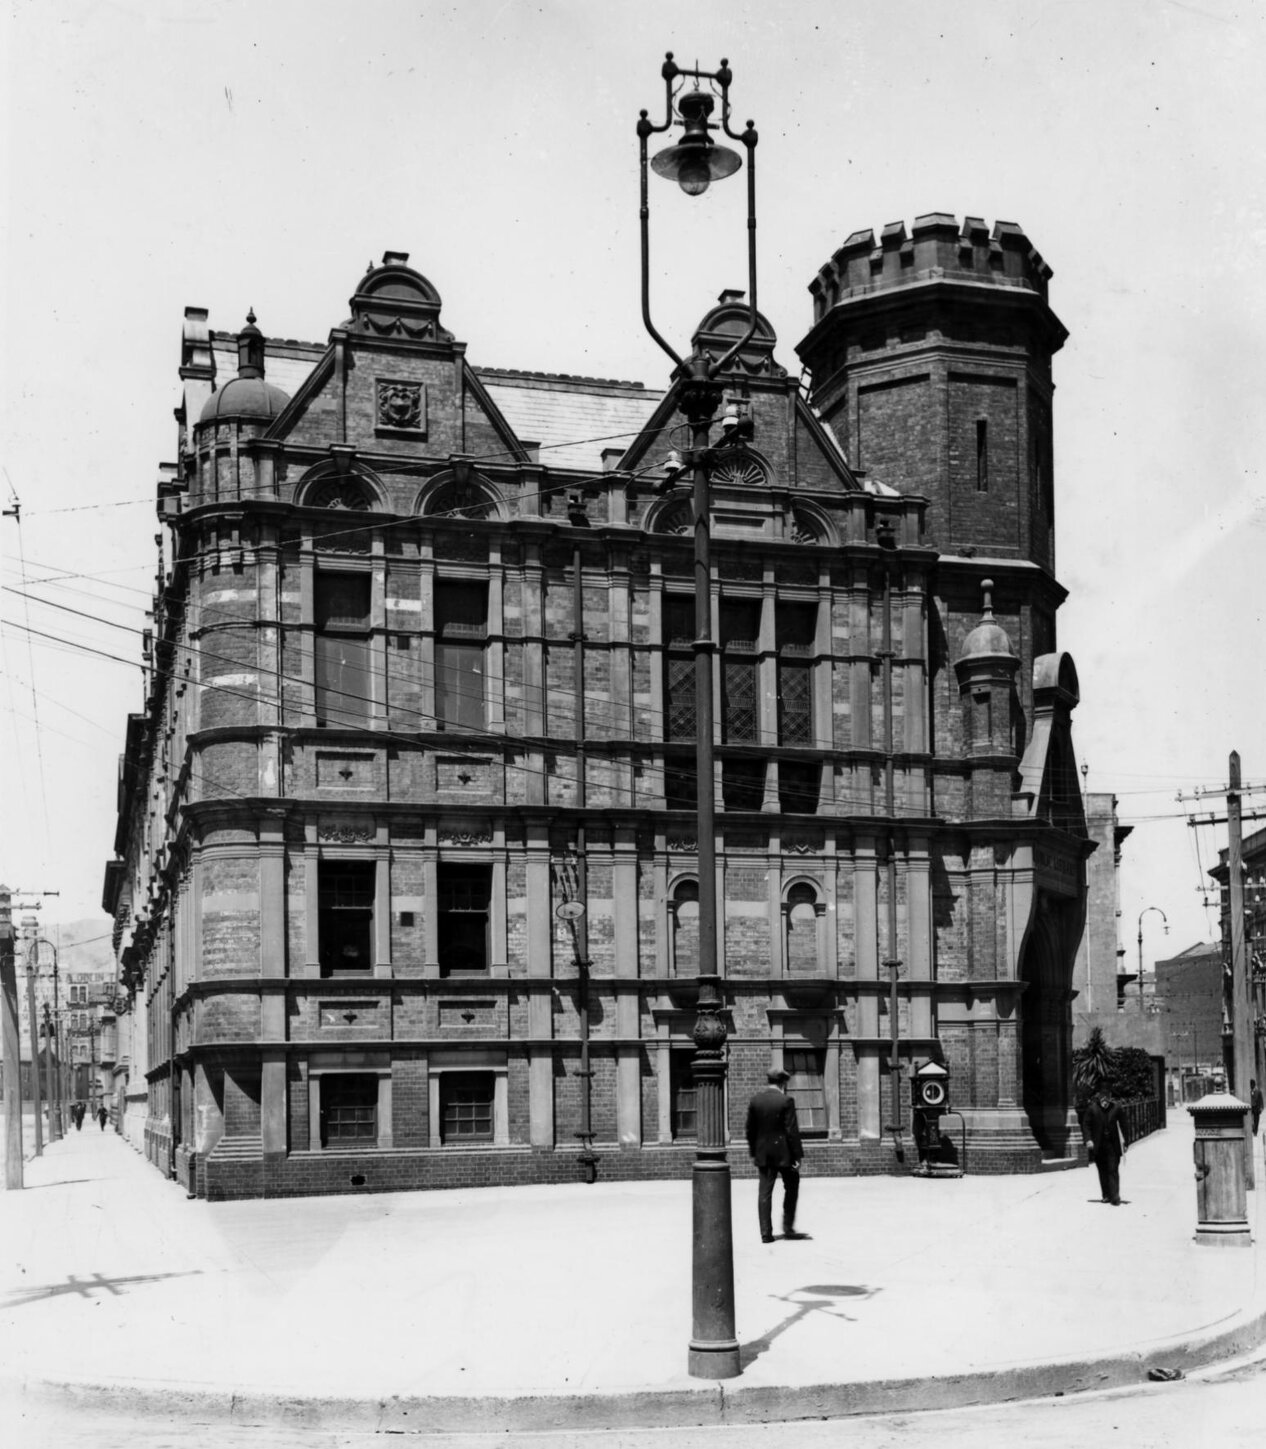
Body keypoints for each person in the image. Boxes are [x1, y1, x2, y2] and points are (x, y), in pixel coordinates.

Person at [745, 1067, 805, 1243]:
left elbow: (750, 1130)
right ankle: (788, 1227)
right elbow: (791, 1131)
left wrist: (754, 1150)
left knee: (764, 1192)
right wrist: (798, 1156)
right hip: (785, 1154)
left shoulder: (756, 1101)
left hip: (763, 1153)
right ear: (782, 1083)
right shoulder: (786, 1101)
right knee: (792, 1187)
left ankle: (766, 1233)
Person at [1083, 1091, 1128, 1205]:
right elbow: (1086, 1125)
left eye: (1107, 1099)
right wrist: (1088, 1139)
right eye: (1102, 1099)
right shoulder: (1092, 1109)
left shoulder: (1116, 1108)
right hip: (1098, 1145)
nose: (1105, 1102)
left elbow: (1124, 1124)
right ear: (1099, 1099)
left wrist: (1126, 1142)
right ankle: (1106, 1195)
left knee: (1112, 1169)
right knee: (1102, 1171)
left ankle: (1115, 1197)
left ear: (1110, 1099)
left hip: (1113, 1145)